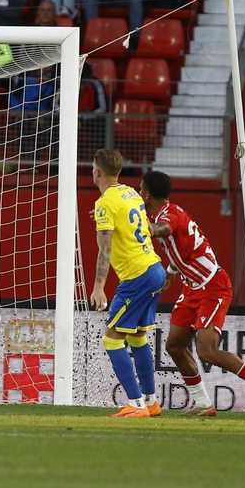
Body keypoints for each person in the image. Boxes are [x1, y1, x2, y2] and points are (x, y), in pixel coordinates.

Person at [139, 169, 245, 417]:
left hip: (212, 285)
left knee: (207, 350)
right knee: (174, 345)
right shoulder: (169, 211)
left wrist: (146, 229)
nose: (139, 193)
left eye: (141, 189)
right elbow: (185, 245)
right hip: (193, 287)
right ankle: (204, 404)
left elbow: (163, 229)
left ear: (147, 193)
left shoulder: (167, 215)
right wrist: (172, 269)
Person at [88, 147, 167, 418]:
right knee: (137, 336)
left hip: (137, 276)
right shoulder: (131, 193)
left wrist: (99, 287)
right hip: (155, 268)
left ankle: (135, 403)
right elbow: (140, 225)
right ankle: (151, 401)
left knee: (111, 339)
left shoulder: (105, 202)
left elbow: (105, 248)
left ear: (96, 172)